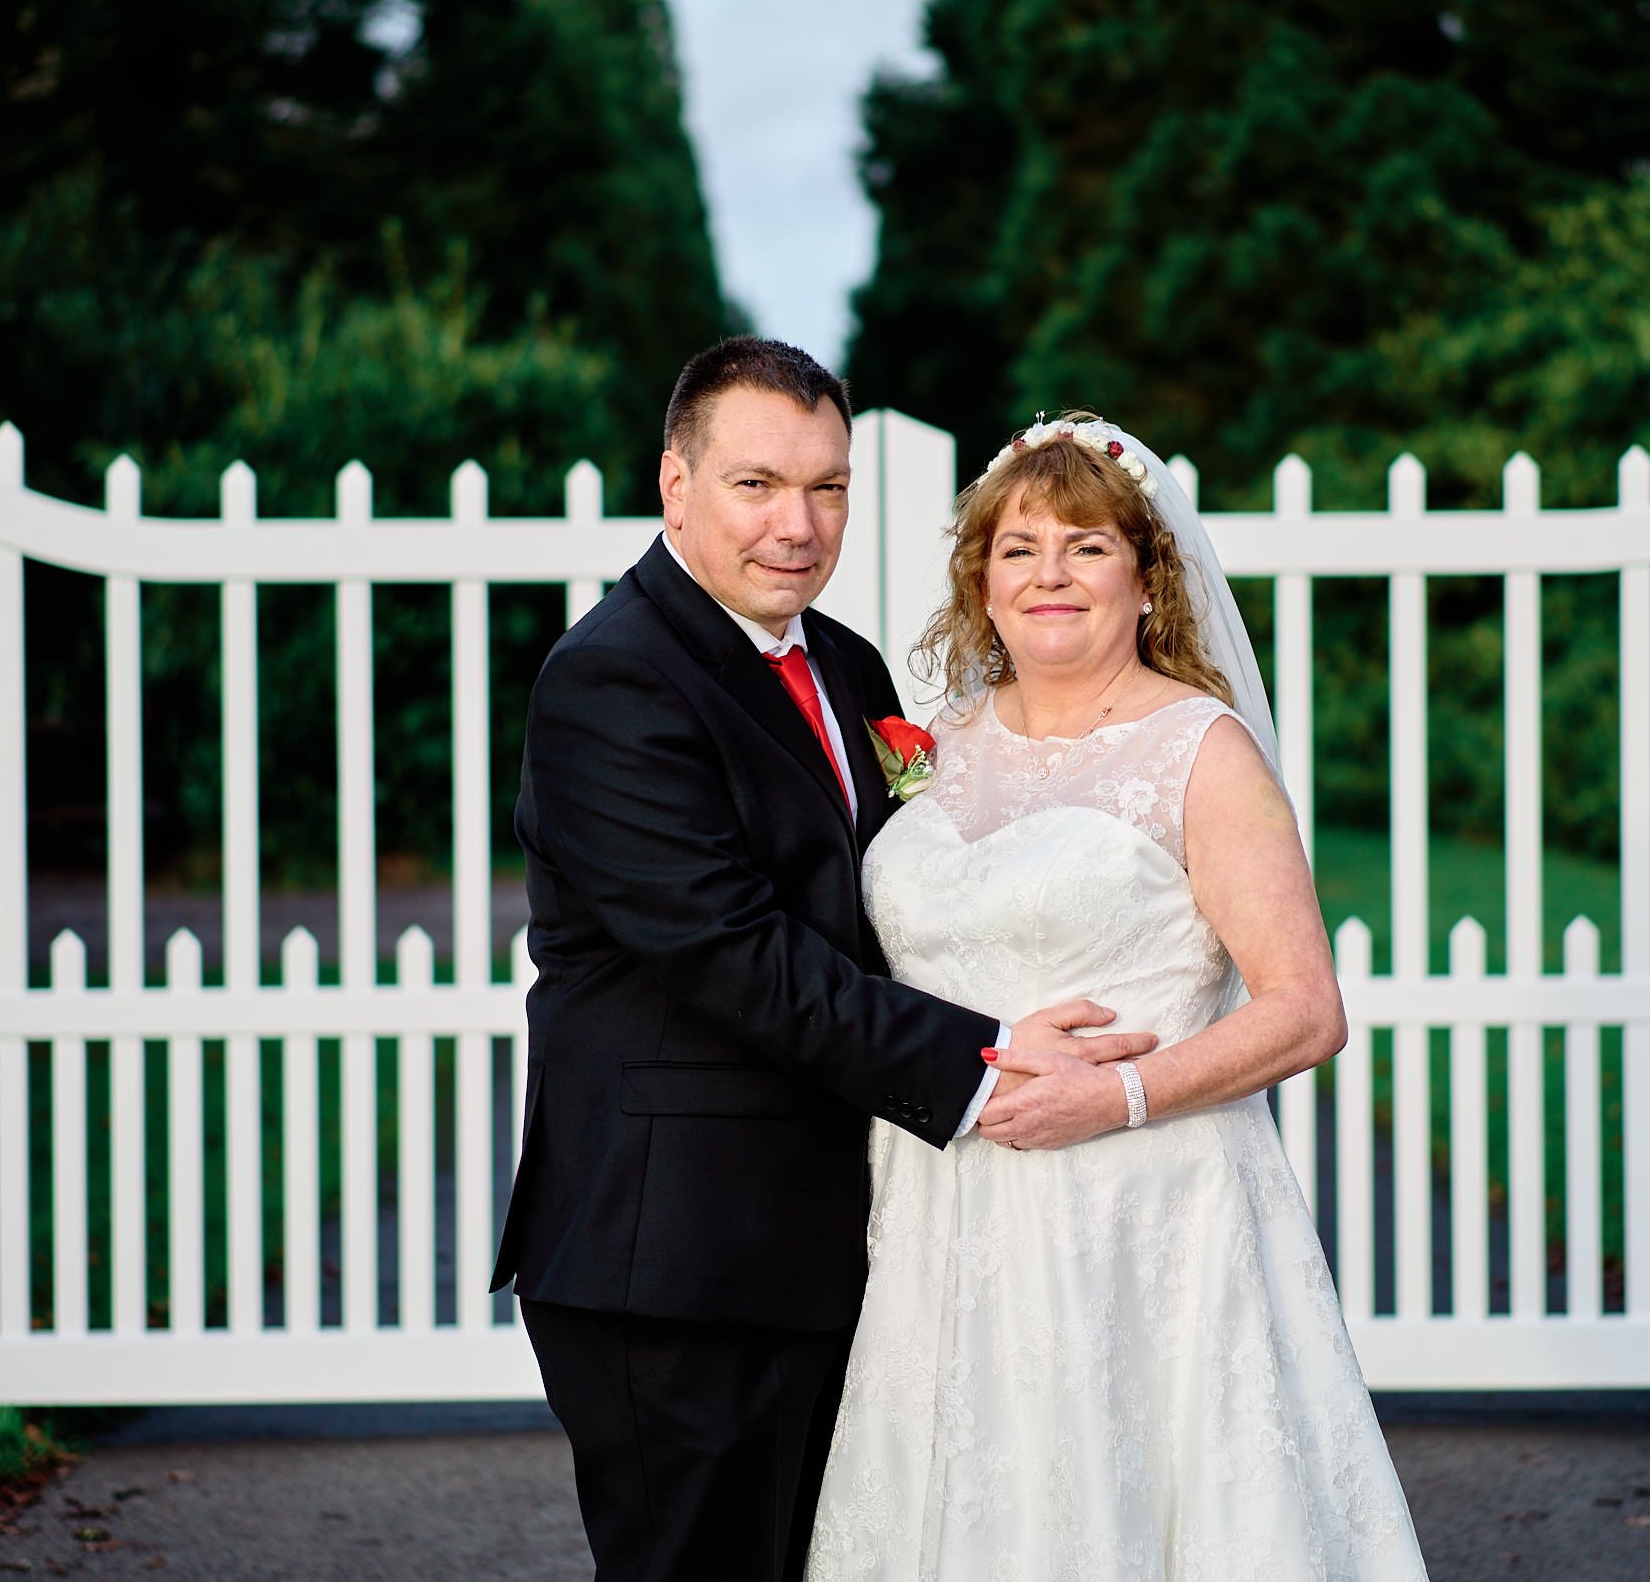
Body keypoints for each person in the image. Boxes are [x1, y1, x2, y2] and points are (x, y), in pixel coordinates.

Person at [489, 342, 1157, 1582]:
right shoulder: (612, 680)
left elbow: (909, 900)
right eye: (756, 484)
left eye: (828, 487)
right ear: (674, 485)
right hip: (673, 1255)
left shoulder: (844, 666)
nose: (797, 525)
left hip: (829, 1239)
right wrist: (989, 1056)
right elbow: (735, 956)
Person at [806, 415, 1428, 1579]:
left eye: (1086, 547)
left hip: (1140, 1216)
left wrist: (1122, 1093)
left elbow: (1305, 1006)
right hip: (940, 1210)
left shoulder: (1202, 750)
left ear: (1146, 580)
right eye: (1018, 548)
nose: (1049, 575)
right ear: (979, 583)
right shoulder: (932, 749)